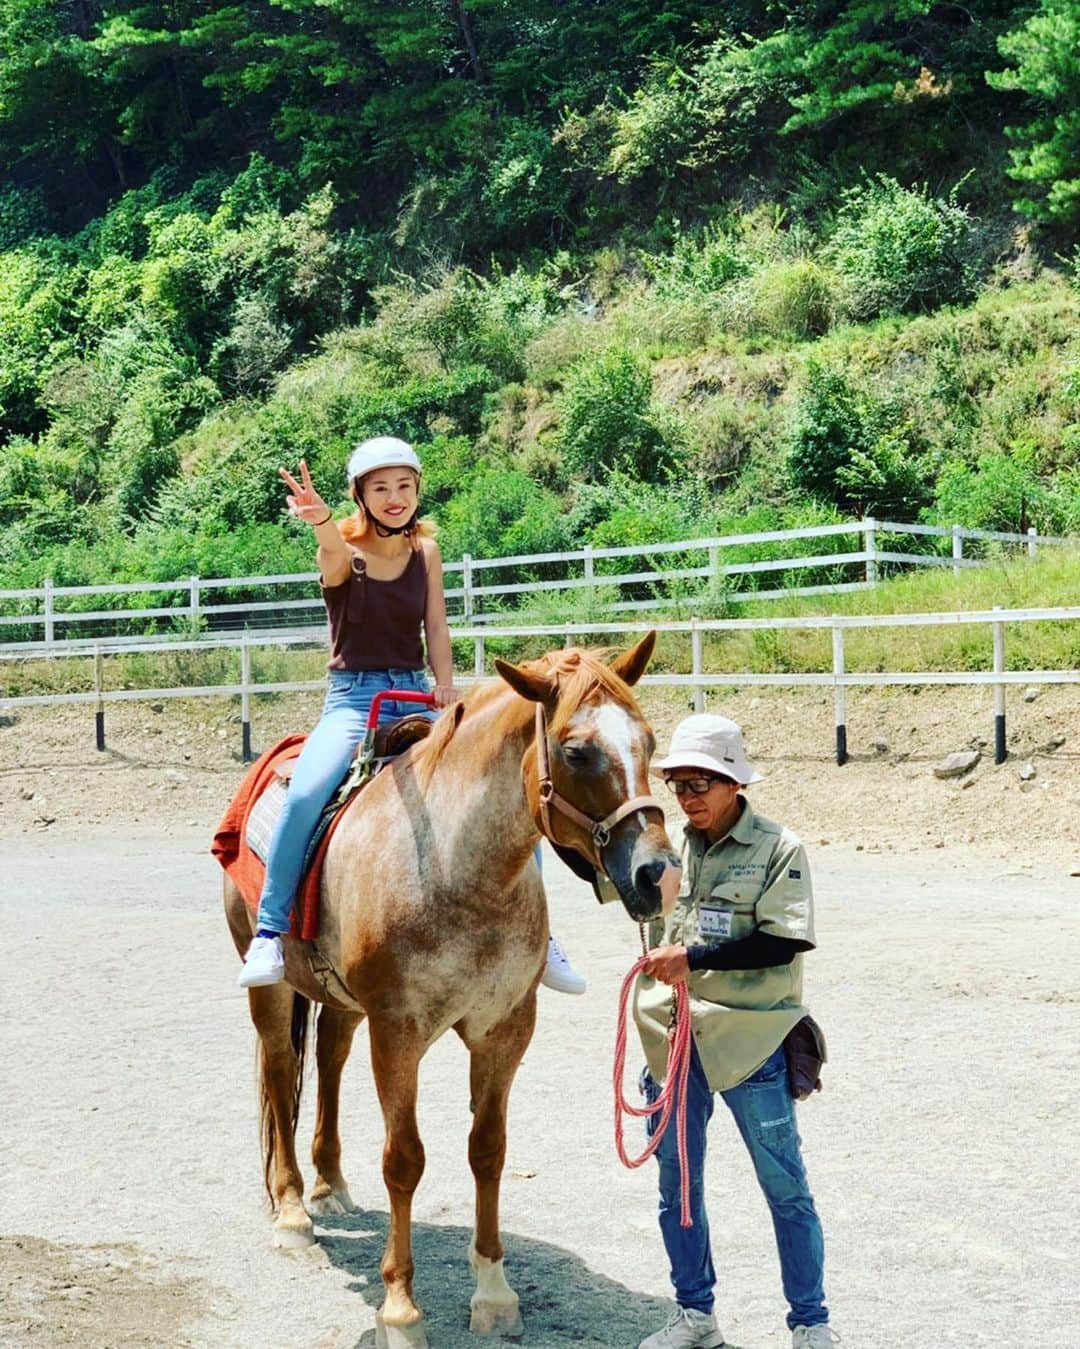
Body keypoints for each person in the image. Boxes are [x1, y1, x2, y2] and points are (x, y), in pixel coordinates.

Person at [237, 436, 586, 997]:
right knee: (304, 797)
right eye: (380, 488)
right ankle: (272, 932)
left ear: (418, 490)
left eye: (403, 486)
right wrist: (321, 519)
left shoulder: (425, 551)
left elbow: (437, 626)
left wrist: (444, 686)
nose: (394, 497)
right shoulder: (343, 553)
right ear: (360, 496)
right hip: (355, 700)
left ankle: (541, 942)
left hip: (419, 694)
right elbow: (329, 547)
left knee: (507, 795)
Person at [632, 714, 836, 1349]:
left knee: (785, 1188)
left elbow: (785, 940)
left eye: (700, 783)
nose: (688, 797)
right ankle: (696, 1315)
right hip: (675, 1040)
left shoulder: (779, 848)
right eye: (679, 784)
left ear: (732, 783)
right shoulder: (672, 847)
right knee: (678, 1187)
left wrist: (693, 960)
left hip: (752, 1044)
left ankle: (811, 1324)